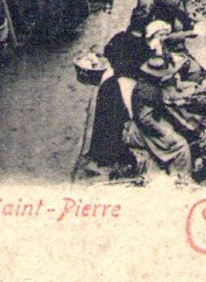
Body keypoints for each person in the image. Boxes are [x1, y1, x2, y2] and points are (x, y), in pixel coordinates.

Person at [80, 29, 148, 176]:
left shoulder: (111, 74)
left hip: (111, 94)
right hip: (115, 104)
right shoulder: (122, 82)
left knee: (105, 125)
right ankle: (107, 160)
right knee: (112, 128)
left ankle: (100, 156)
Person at [126, 50, 195, 184]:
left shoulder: (147, 83)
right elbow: (145, 119)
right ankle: (181, 179)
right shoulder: (148, 90)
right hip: (145, 130)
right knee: (181, 145)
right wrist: (164, 131)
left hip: (148, 123)